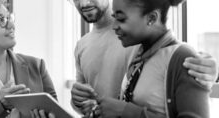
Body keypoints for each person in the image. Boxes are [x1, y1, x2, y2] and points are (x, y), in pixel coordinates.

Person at [69, 0, 218, 117]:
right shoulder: (82, 46)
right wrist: (82, 103)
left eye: (120, 18)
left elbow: (174, 52)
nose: (83, 3)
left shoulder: (138, 40)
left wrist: (210, 71)